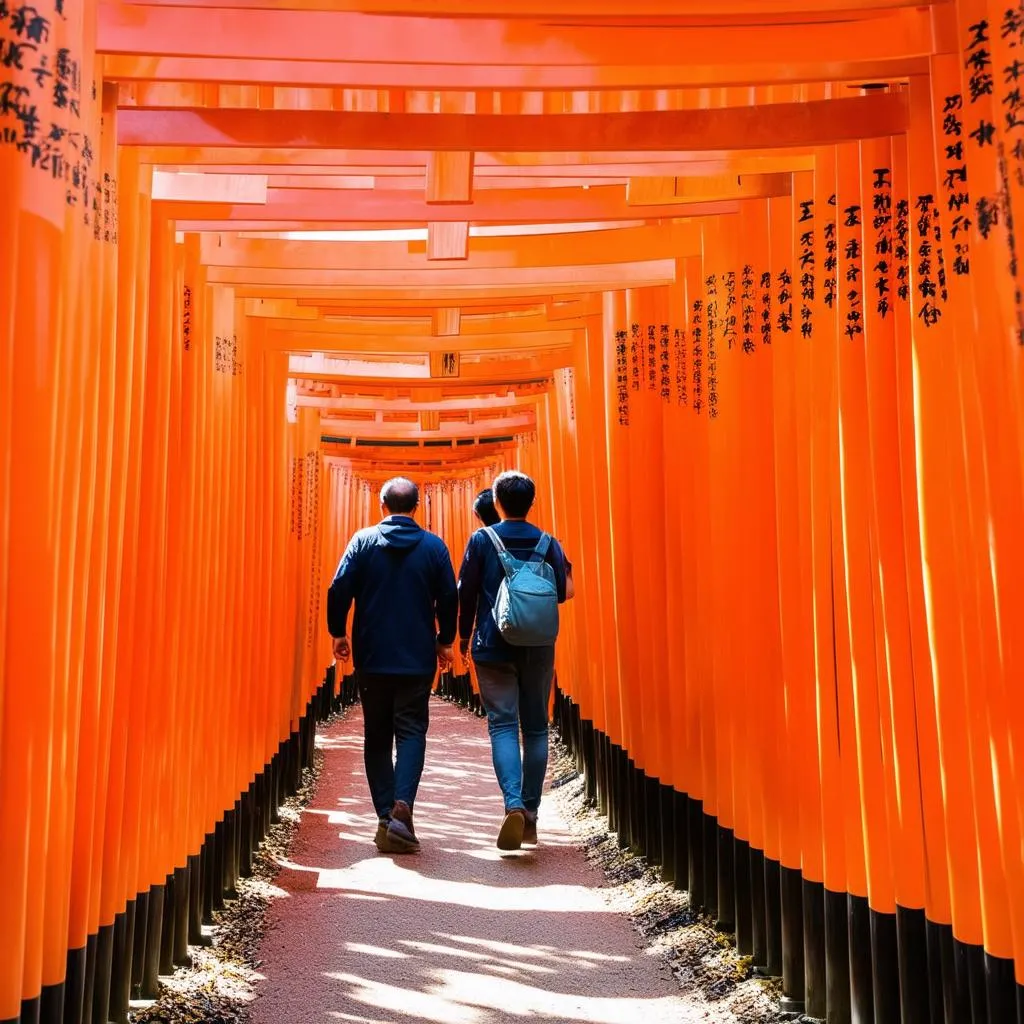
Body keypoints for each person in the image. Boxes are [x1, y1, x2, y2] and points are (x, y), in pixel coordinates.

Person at [327, 477, 458, 854]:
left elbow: (339, 588)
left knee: (378, 734)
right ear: (416, 507)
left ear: (382, 505)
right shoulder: (434, 547)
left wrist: (338, 632)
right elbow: (449, 596)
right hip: (417, 656)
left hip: (372, 654)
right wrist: (444, 640)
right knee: (412, 730)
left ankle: (387, 815)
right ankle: (403, 806)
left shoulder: (363, 541)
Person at [458, 471, 570, 851]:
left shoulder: (481, 540)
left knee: (503, 726)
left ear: (498, 503)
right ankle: (533, 815)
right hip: (538, 646)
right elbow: (565, 591)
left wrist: (459, 637)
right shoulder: (547, 541)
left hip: (492, 645)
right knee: (536, 729)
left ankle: (513, 804)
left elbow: (466, 594)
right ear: (531, 502)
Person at [473, 487, 575, 598]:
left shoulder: (480, 542)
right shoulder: (546, 541)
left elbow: (467, 590)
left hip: (491, 614)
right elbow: (568, 591)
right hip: (536, 614)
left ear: (478, 515)